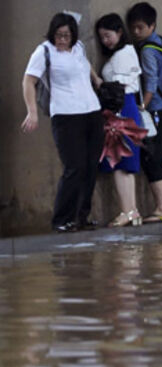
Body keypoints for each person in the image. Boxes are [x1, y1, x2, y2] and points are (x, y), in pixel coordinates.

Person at [22, 12, 104, 233]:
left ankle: (81, 217)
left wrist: (96, 79)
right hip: (66, 115)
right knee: (74, 167)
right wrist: (32, 112)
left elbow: (84, 64)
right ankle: (61, 219)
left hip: (92, 111)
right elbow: (28, 81)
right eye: (58, 35)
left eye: (67, 35)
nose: (62, 40)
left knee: (90, 166)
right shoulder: (44, 51)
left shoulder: (79, 48)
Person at [127, 2, 162, 222]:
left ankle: (161, 208)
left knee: (152, 159)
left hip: (156, 110)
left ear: (152, 25)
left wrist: (143, 105)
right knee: (157, 158)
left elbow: (151, 81)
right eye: (133, 27)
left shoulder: (148, 50)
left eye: (140, 27)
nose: (136, 31)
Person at [95, 13, 143, 227]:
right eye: (102, 37)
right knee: (125, 164)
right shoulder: (124, 53)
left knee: (120, 162)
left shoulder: (123, 54)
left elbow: (116, 87)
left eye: (108, 35)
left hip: (121, 109)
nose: (105, 40)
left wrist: (96, 79)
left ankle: (128, 211)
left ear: (119, 32)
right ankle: (132, 210)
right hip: (124, 108)